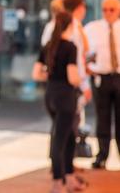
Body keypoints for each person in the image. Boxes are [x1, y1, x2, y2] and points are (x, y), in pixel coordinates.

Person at [32, 12, 85, 193]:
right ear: (70, 26)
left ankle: (69, 178)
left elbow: (36, 74)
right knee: (60, 140)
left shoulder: (48, 46)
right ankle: (57, 182)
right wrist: (80, 80)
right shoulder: (70, 47)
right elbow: (72, 77)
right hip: (65, 97)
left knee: (69, 135)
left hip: (51, 95)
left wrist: (52, 75)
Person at [84, 0, 120, 169]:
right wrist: (88, 67)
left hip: (119, 77)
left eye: (111, 9)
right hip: (101, 78)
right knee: (102, 118)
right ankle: (102, 155)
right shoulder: (93, 28)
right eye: (105, 9)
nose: (108, 13)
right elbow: (83, 51)